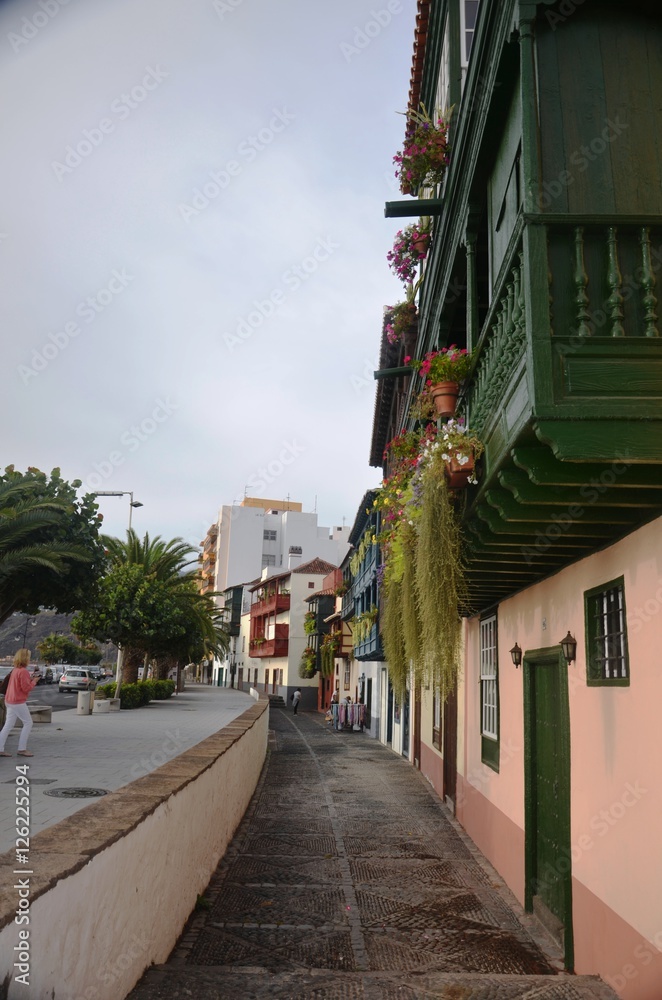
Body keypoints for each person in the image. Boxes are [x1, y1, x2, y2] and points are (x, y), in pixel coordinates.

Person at [0, 649, 39, 758]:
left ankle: (0, 749)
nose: (29, 659)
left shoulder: (15, 670)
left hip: (9, 700)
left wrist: (30, 679)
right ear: (25, 658)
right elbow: (26, 688)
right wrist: (34, 681)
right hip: (18, 702)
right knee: (28, 723)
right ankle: (22, 749)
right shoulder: (23, 671)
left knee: (8, 725)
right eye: (29, 657)